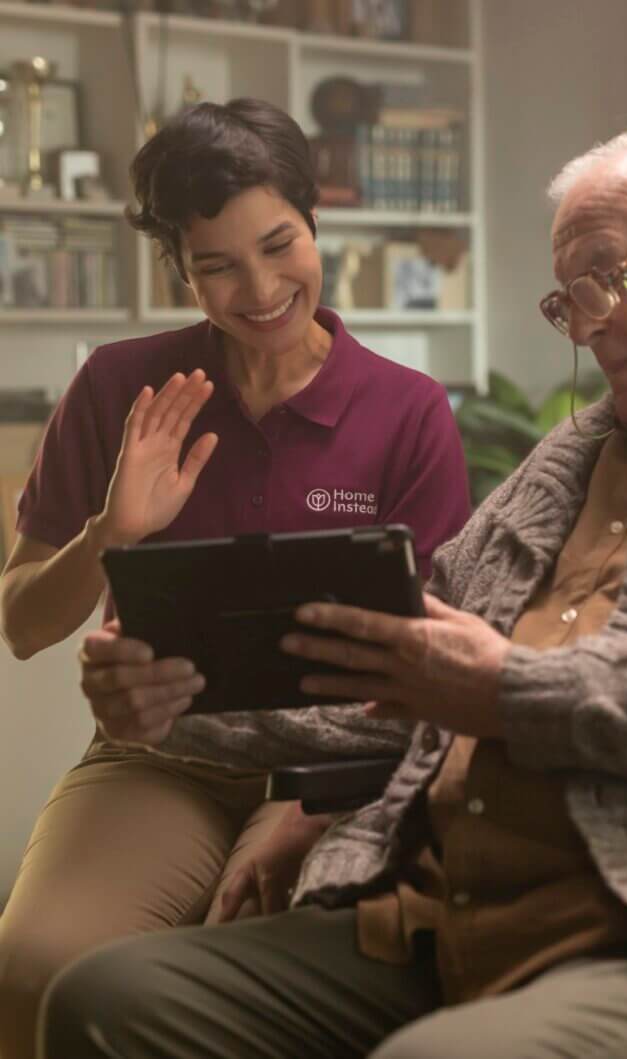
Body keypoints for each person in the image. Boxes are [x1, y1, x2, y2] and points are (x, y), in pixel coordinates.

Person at [47, 116, 627, 1059]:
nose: (581, 325)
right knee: (108, 997)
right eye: (564, 300)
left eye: (605, 282)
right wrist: (180, 694)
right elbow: (394, 671)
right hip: (436, 907)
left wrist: (508, 689)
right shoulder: (567, 459)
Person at [0, 98, 469, 1059]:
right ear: (177, 267)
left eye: (278, 244)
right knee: (32, 967)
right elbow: (21, 621)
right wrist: (110, 531)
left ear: (314, 222)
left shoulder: (409, 410)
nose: (258, 288)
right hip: (160, 762)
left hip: (341, 774)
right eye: (216, 264)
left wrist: (309, 808)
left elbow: (439, 656)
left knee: (258, 996)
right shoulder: (117, 389)